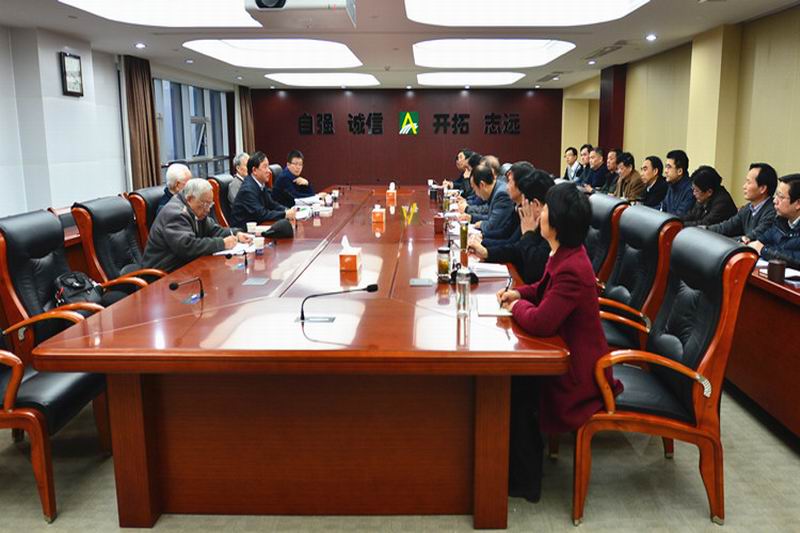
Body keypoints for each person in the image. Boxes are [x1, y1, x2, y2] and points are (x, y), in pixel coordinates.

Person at [497, 182, 622, 502]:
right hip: (566, 352)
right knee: (515, 384)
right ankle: (515, 467)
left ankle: (525, 482)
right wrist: (518, 293)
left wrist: (515, 308)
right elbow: (542, 288)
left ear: (557, 223)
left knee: (518, 388)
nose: (539, 214)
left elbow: (542, 322)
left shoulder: (572, 268)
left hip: (579, 374)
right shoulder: (566, 254)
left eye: (546, 210)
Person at [142, 179, 252, 272]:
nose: (208, 210)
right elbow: (187, 247)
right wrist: (222, 243)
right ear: (190, 199)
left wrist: (236, 234)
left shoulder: (196, 211)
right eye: (205, 204)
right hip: (164, 275)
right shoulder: (176, 213)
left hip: (185, 267)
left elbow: (214, 230)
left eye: (210, 204)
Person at [469, 166, 555, 284]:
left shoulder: (552, 228)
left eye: (524, 202)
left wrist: (528, 234)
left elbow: (534, 272)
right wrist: (487, 252)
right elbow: (516, 248)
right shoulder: (535, 220)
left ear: (535, 204)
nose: (522, 207)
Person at [707, 163, 777, 243]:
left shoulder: (773, 212)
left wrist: (723, 241)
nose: (744, 186)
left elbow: (752, 237)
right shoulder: (748, 208)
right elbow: (726, 227)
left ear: (762, 189)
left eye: (748, 182)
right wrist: (704, 229)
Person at [231, 151, 297, 229]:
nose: (269, 171)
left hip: (259, 226)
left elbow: (271, 204)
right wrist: (284, 214)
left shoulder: (259, 183)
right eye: (265, 167)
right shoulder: (247, 190)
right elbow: (261, 214)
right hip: (244, 231)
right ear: (254, 170)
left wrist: (287, 210)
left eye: (268, 167)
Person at [749, 174, 800, 268]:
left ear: (798, 203)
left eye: (781, 197)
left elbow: (796, 260)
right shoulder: (780, 221)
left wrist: (764, 250)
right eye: (776, 195)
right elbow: (760, 242)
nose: (774, 201)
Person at [463, 164, 516, 239]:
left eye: (474, 189)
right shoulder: (496, 189)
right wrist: (472, 218)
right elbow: (492, 216)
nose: (476, 193)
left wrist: (482, 224)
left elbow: (493, 226)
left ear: (482, 185)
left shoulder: (501, 194)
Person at [660, 149, 694, 217]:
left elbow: (679, 217)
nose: (665, 171)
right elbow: (663, 208)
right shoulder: (671, 185)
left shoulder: (690, 190)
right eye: (666, 167)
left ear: (680, 171)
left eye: (669, 167)